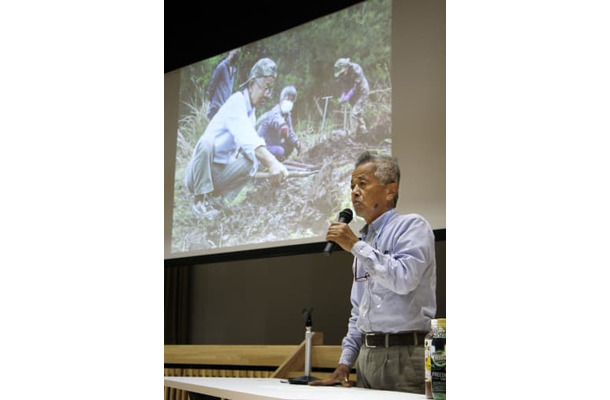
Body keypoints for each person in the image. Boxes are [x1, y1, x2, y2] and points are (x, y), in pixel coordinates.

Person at [309, 151, 436, 393]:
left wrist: (356, 246)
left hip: (405, 355)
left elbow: (404, 279)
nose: (354, 191)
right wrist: (345, 362)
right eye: (352, 185)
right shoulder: (364, 241)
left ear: (390, 190)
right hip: (366, 358)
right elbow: (360, 311)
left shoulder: (412, 226)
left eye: (363, 184)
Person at [183, 57, 289, 218]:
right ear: (252, 83)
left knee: (251, 160)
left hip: (218, 173)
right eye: (265, 87)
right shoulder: (236, 102)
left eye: (270, 90)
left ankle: (217, 200)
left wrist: (272, 164)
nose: (267, 95)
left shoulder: (251, 115)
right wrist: (273, 162)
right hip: (198, 173)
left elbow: (250, 148)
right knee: (206, 142)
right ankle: (199, 201)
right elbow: (248, 138)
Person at [256, 85, 301, 161]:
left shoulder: (287, 115)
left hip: (273, 144)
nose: (289, 102)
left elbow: (290, 132)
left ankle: (277, 160)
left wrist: (296, 141)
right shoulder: (274, 112)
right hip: (261, 146)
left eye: (292, 100)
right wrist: (282, 125)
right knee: (280, 151)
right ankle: (267, 161)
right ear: (281, 99)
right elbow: (277, 120)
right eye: (287, 98)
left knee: (291, 145)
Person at [334, 57, 370, 136]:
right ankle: (364, 132)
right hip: (353, 94)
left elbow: (355, 87)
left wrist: (348, 96)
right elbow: (344, 87)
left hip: (362, 91)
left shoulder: (356, 69)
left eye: (342, 72)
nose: (342, 74)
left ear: (346, 67)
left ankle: (352, 135)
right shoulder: (342, 74)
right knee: (358, 112)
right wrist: (343, 96)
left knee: (354, 113)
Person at [205, 48, 241, 120]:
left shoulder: (234, 70)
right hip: (216, 107)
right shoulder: (222, 66)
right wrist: (210, 101)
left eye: (238, 52)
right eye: (235, 51)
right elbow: (213, 85)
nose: (236, 53)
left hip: (224, 109)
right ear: (230, 51)